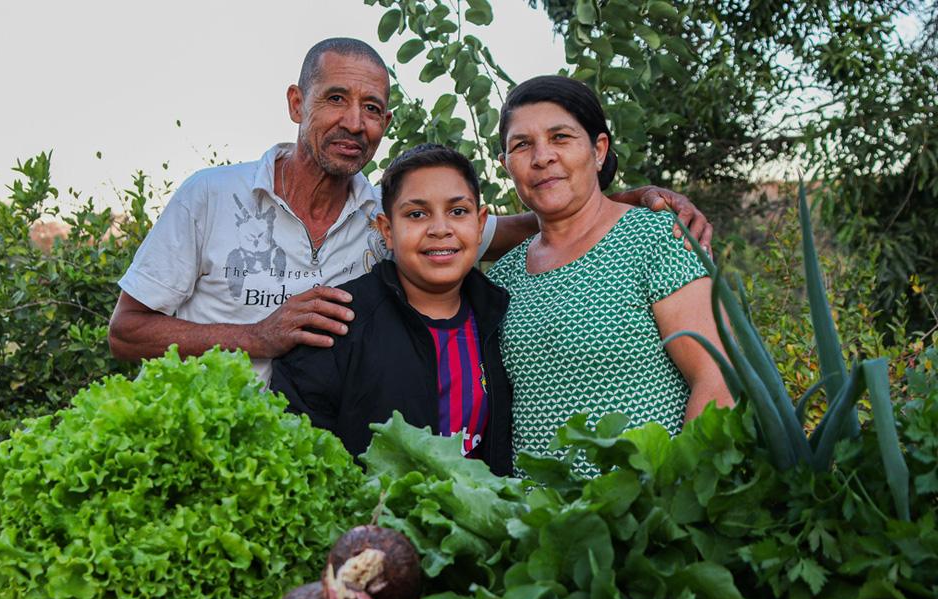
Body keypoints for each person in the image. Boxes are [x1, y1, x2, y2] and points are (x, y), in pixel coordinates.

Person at [107, 37, 714, 385]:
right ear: (297, 103)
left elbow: (494, 230)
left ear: (385, 125)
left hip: (320, 459)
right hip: (212, 449)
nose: (354, 122)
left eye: (372, 108)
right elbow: (126, 332)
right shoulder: (210, 198)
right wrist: (255, 337)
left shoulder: (389, 218)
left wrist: (618, 201)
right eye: (335, 100)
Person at [486, 75, 733, 475]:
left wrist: (673, 501)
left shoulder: (657, 239)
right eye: (522, 145)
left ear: (599, 150)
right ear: (506, 165)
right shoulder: (503, 276)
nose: (542, 157)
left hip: (644, 515)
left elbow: (719, 379)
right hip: (532, 525)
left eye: (561, 137)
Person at [271, 144, 512, 473]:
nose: (440, 229)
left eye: (458, 212)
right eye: (416, 214)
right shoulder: (336, 323)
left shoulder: (500, 317)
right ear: (387, 231)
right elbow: (297, 458)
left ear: (480, 222)